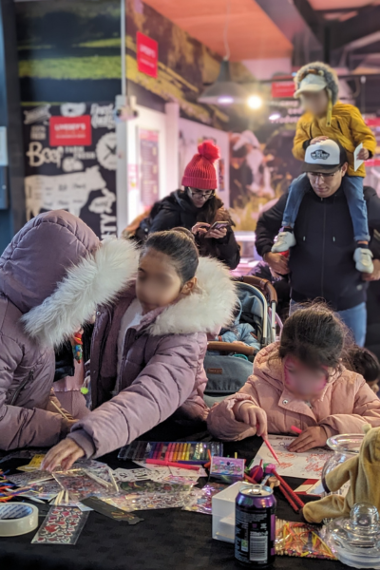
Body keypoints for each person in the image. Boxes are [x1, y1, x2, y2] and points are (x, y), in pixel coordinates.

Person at [41, 229, 237, 471]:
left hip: (169, 437)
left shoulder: (187, 334)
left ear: (188, 286)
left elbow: (152, 393)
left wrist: (90, 435)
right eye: (143, 276)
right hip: (116, 431)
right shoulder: (118, 303)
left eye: (162, 281)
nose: (147, 289)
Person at [0, 210, 139, 450]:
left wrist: (76, 424)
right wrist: (61, 428)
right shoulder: (6, 327)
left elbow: (35, 394)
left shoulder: (33, 318)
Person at [255, 138, 380, 347]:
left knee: (349, 372)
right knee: (299, 370)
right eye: (313, 174)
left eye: (327, 174)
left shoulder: (364, 199)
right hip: (302, 306)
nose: (319, 182)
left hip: (349, 308)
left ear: (343, 169)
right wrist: (268, 254)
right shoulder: (296, 197)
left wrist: (377, 258)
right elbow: (265, 225)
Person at [207, 305, 380, 451]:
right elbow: (216, 424)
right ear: (282, 358)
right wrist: (238, 410)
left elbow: (376, 425)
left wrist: (330, 432)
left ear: (335, 364)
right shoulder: (262, 383)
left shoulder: (352, 385)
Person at [272, 62, 377, 274]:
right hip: (316, 166)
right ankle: (287, 229)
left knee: (356, 198)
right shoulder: (305, 120)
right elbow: (297, 147)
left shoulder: (348, 112)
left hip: (348, 169)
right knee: (297, 186)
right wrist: (306, 144)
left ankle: (363, 246)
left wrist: (367, 149)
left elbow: (365, 136)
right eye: (306, 95)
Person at [137, 140, 240, 270]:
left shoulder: (218, 214)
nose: (202, 197)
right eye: (197, 191)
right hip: (176, 283)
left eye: (208, 192)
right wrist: (192, 238)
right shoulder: (169, 211)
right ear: (187, 188)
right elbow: (153, 255)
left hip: (210, 280)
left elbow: (232, 263)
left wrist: (223, 240)